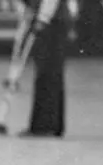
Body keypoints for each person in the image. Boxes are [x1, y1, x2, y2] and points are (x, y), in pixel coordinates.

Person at [16, 0, 70, 137]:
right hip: (49, 19)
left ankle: (44, 126)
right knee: (48, 72)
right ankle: (51, 125)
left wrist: (43, 18)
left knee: (47, 72)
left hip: (51, 21)